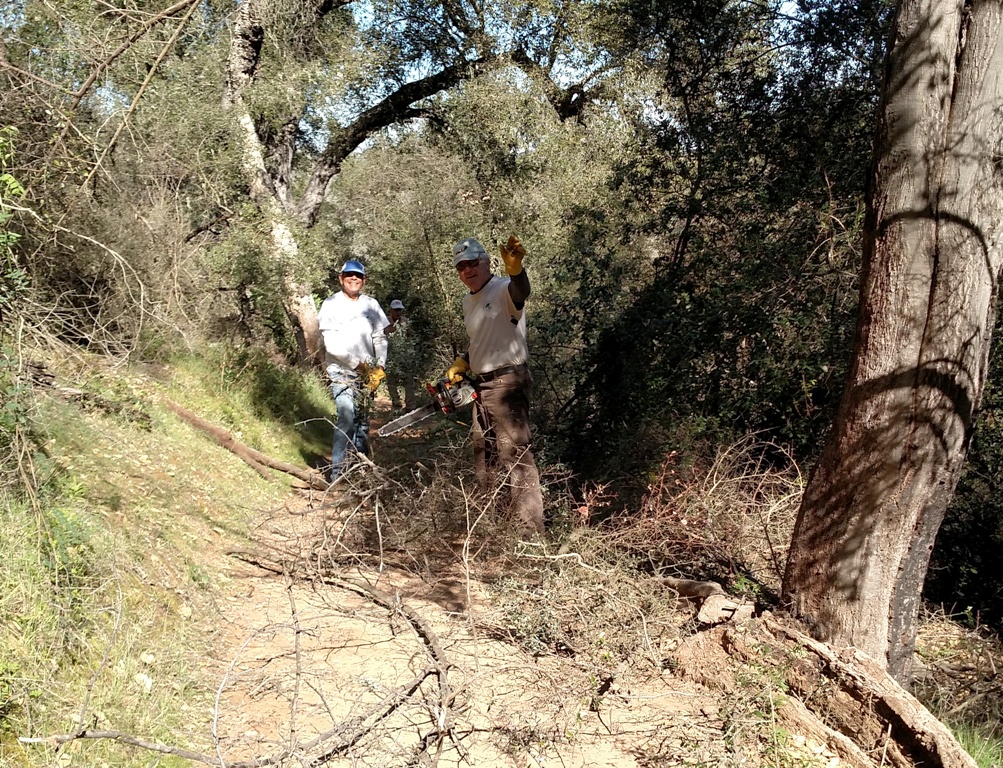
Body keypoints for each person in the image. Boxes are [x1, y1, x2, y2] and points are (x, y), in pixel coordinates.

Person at [446, 235, 545, 534]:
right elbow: (483, 340)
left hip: (507, 383)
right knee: (485, 460)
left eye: (473, 262)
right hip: (482, 385)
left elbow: (521, 291)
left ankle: (530, 535)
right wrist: (464, 362)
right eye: (461, 266)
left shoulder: (503, 288)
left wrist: (516, 270)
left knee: (516, 459)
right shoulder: (468, 300)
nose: (467, 270)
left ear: (487, 261)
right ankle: (499, 528)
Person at [317, 259, 389, 482]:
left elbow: (380, 338)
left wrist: (380, 366)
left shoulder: (372, 305)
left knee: (363, 423)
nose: (354, 279)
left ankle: (358, 469)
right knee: (346, 416)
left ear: (364, 280)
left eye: (358, 276)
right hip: (341, 371)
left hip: (368, 375)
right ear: (341, 278)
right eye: (349, 275)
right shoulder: (330, 304)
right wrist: (359, 365)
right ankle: (338, 472)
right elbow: (331, 345)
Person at [384, 299, 417, 412]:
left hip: (404, 356)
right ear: (391, 310)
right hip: (389, 356)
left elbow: (411, 336)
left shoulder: (405, 321)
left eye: (400, 310)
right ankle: (396, 404)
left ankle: (410, 407)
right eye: (396, 310)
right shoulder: (384, 322)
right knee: (391, 381)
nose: (398, 312)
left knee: (408, 381)